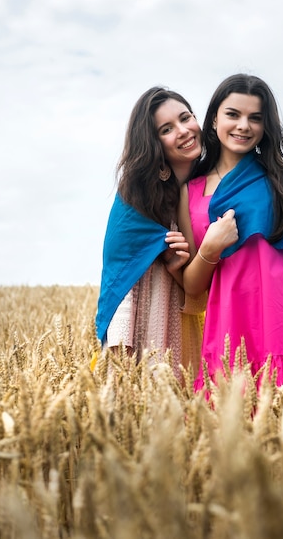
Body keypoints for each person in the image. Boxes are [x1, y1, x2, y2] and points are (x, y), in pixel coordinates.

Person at [178, 73, 283, 407]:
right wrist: (211, 247)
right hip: (227, 326)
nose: (244, 125)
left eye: (256, 118)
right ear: (213, 119)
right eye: (233, 114)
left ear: (266, 126)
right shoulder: (189, 191)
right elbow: (192, 287)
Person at [95, 86, 205, 379]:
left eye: (186, 118)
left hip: (185, 313)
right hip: (146, 308)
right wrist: (122, 342)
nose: (183, 131)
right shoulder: (137, 193)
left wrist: (180, 265)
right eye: (167, 129)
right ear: (153, 143)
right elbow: (122, 268)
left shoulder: (211, 186)